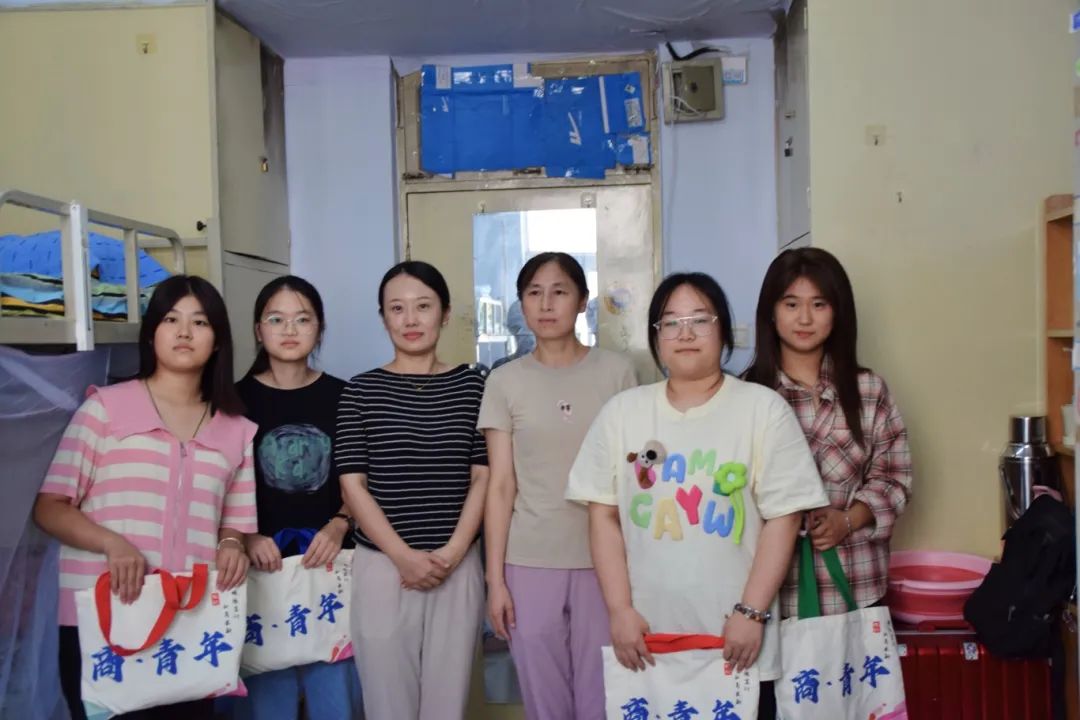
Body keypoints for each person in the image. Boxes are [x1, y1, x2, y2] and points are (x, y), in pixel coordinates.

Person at [565, 272, 828, 720]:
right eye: (670, 322)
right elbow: (603, 516)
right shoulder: (622, 413)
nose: (684, 333)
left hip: (738, 639)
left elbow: (784, 519)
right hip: (647, 640)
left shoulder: (763, 409)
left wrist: (751, 612)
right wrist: (620, 610)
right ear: (656, 336)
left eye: (700, 320)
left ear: (723, 329)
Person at [33, 275, 256, 720]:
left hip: (189, 617)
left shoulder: (236, 429)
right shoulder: (105, 409)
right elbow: (50, 506)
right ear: (152, 333)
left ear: (217, 341)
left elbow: (235, 521)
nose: (184, 332)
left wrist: (232, 543)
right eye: (171, 319)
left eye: (200, 322)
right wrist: (111, 543)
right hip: (101, 616)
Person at [480, 252, 637, 720]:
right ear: (521, 304)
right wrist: (495, 581)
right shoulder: (504, 381)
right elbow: (500, 485)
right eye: (534, 293)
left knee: (603, 697)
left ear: (583, 301)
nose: (546, 304)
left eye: (560, 292)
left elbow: (633, 478)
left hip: (606, 560)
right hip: (529, 561)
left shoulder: (617, 373)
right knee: (544, 701)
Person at [336, 260, 488, 720]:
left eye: (423, 306)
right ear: (383, 317)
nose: (410, 319)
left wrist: (454, 553)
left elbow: (483, 476)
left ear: (445, 313)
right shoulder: (360, 391)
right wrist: (402, 556)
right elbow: (353, 485)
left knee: (448, 703)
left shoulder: (474, 385)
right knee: (388, 702)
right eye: (396, 308)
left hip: (456, 564)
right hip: (383, 566)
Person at [743, 248, 912, 617]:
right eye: (791, 304)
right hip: (770, 595)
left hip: (855, 585)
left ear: (837, 312)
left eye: (819, 304)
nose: (805, 318)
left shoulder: (868, 390)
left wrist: (847, 520)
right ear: (771, 312)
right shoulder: (745, 396)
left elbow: (894, 478)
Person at [225, 275, 362, 720]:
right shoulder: (232, 401)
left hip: (331, 568)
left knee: (336, 700)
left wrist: (340, 524)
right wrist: (245, 537)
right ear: (257, 329)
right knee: (268, 704)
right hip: (259, 574)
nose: (289, 330)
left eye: (302, 319)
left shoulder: (345, 396)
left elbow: (362, 478)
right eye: (276, 319)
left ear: (319, 329)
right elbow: (215, 486)